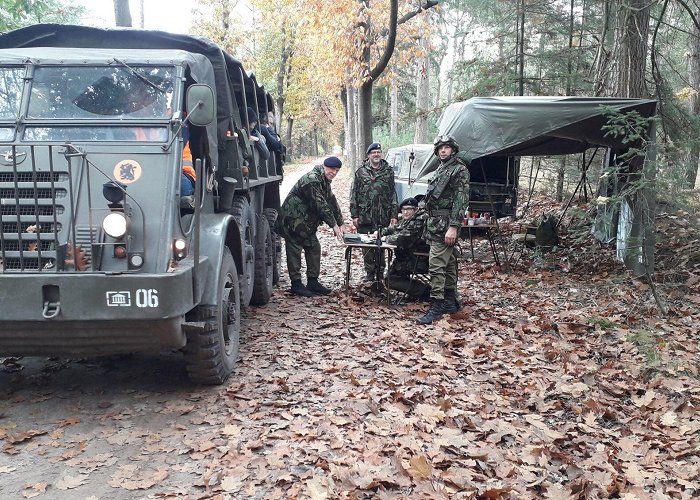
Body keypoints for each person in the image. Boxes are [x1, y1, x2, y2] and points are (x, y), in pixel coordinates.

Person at [417, 135, 470, 325]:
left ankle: (437, 303)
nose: (443, 150)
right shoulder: (441, 169)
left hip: (446, 224)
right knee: (447, 265)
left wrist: (454, 227)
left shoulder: (459, 170)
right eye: (440, 148)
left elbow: (461, 200)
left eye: (446, 147)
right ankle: (450, 302)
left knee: (436, 264)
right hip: (434, 223)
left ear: (453, 150)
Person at [276, 156, 346, 297]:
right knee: (294, 250)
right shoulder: (312, 180)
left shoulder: (324, 181)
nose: (334, 172)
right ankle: (296, 284)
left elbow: (331, 201)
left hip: (306, 223)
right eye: (332, 169)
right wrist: (333, 224)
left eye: (337, 171)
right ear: (325, 166)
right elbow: (320, 204)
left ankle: (312, 282)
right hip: (293, 221)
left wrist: (341, 222)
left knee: (314, 247)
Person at [349, 142, 398, 282]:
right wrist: (354, 215)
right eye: (373, 152)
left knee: (381, 244)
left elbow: (393, 193)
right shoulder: (360, 171)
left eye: (378, 152)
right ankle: (370, 273)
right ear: (369, 155)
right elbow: (354, 194)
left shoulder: (388, 171)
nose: (376, 154)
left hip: (383, 215)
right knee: (366, 245)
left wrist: (394, 214)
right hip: (365, 215)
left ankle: (380, 273)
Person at [382, 197, 430, 301]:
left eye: (409, 209)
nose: (405, 212)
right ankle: (417, 291)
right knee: (389, 279)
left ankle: (425, 291)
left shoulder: (418, 222)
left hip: (417, 261)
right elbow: (394, 228)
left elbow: (402, 239)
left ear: (415, 210)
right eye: (403, 209)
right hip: (405, 259)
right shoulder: (407, 221)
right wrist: (381, 232)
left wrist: (385, 238)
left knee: (390, 281)